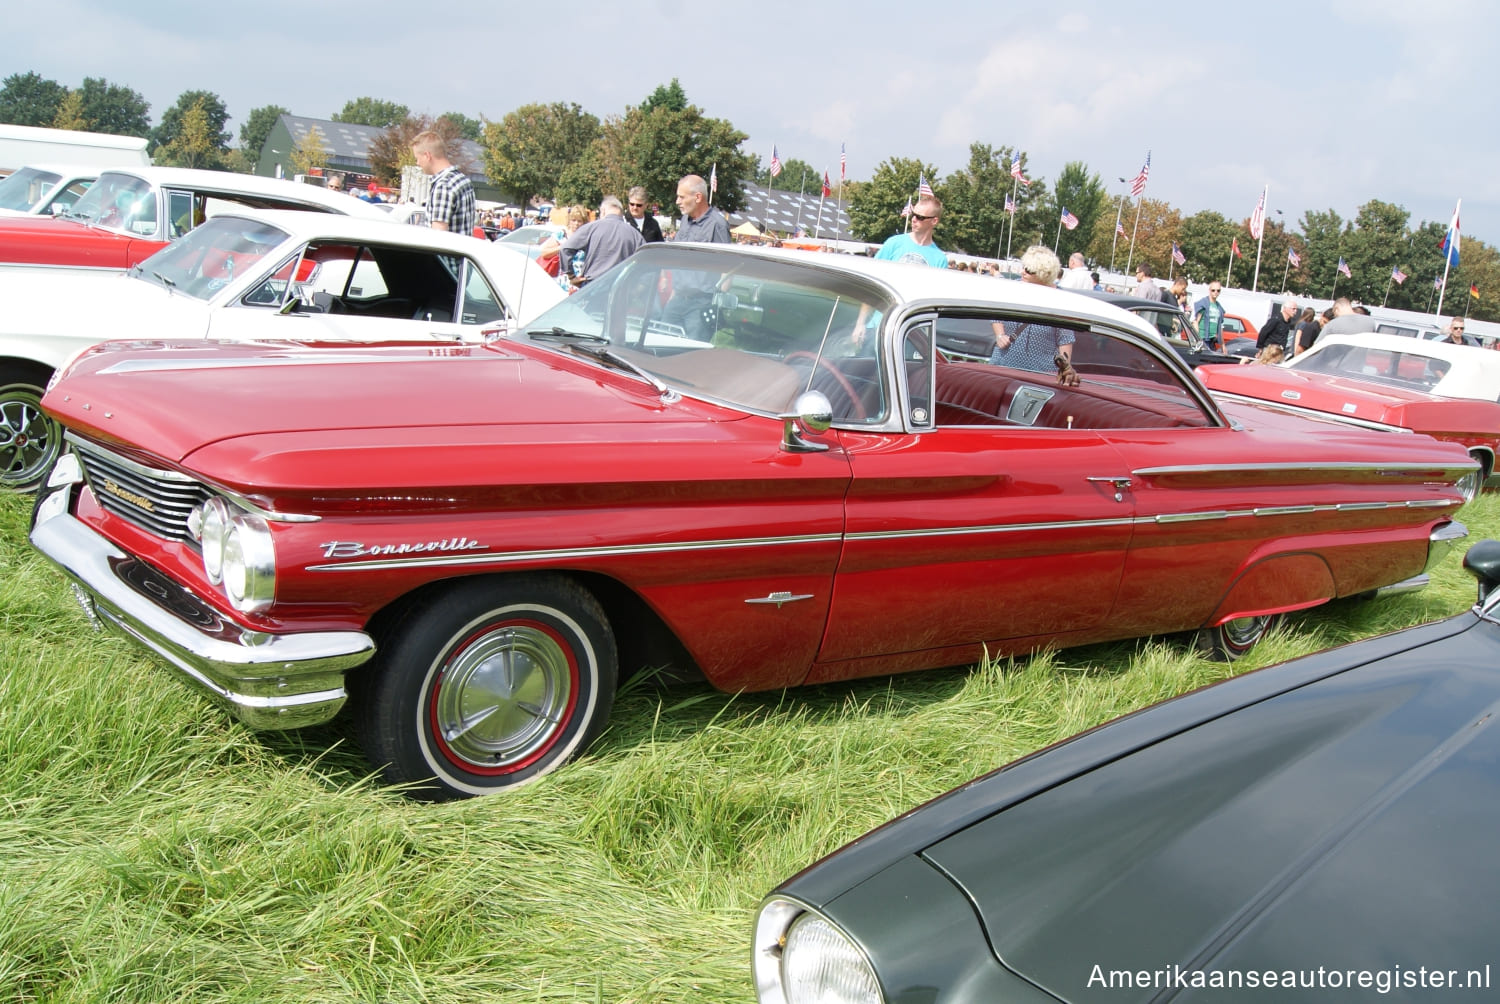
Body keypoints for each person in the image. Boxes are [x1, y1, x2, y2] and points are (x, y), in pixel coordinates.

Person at [989, 246, 1079, 386]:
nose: (1022, 272)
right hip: (1003, 365)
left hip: (1040, 374)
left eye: (1029, 270)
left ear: (1044, 273)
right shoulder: (1012, 289)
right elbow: (996, 315)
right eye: (1024, 267)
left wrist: (1065, 368)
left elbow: (1065, 338)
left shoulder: (1060, 299)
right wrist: (1000, 335)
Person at [559, 195, 644, 286]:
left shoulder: (591, 228)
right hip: (621, 288)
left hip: (593, 286)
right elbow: (646, 259)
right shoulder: (634, 234)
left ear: (603, 211)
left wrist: (572, 276)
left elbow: (565, 249)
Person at [411, 130, 476, 235]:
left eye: (417, 158)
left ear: (427, 156)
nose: (417, 163)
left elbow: (438, 236)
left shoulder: (443, 186)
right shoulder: (463, 180)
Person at [874, 194, 946, 268]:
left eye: (919, 217)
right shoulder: (893, 243)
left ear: (934, 221)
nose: (913, 219)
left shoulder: (940, 259)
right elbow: (873, 270)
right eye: (913, 215)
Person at [671, 174, 730, 244]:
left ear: (698, 197)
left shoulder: (718, 225)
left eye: (682, 197)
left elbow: (722, 254)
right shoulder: (685, 219)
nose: (677, 202)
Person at [1193, 282, 1227, 350]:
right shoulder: (1204, 303)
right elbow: (1196, 322)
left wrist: (1223, 345)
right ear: (1209, 290)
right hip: (1203, 339)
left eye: (1218, 290)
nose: (1216, 292)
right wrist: (1197, 339)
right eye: (1213, 290)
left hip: (1212, 339)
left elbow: (1220, 326)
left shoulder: (1219, 307)